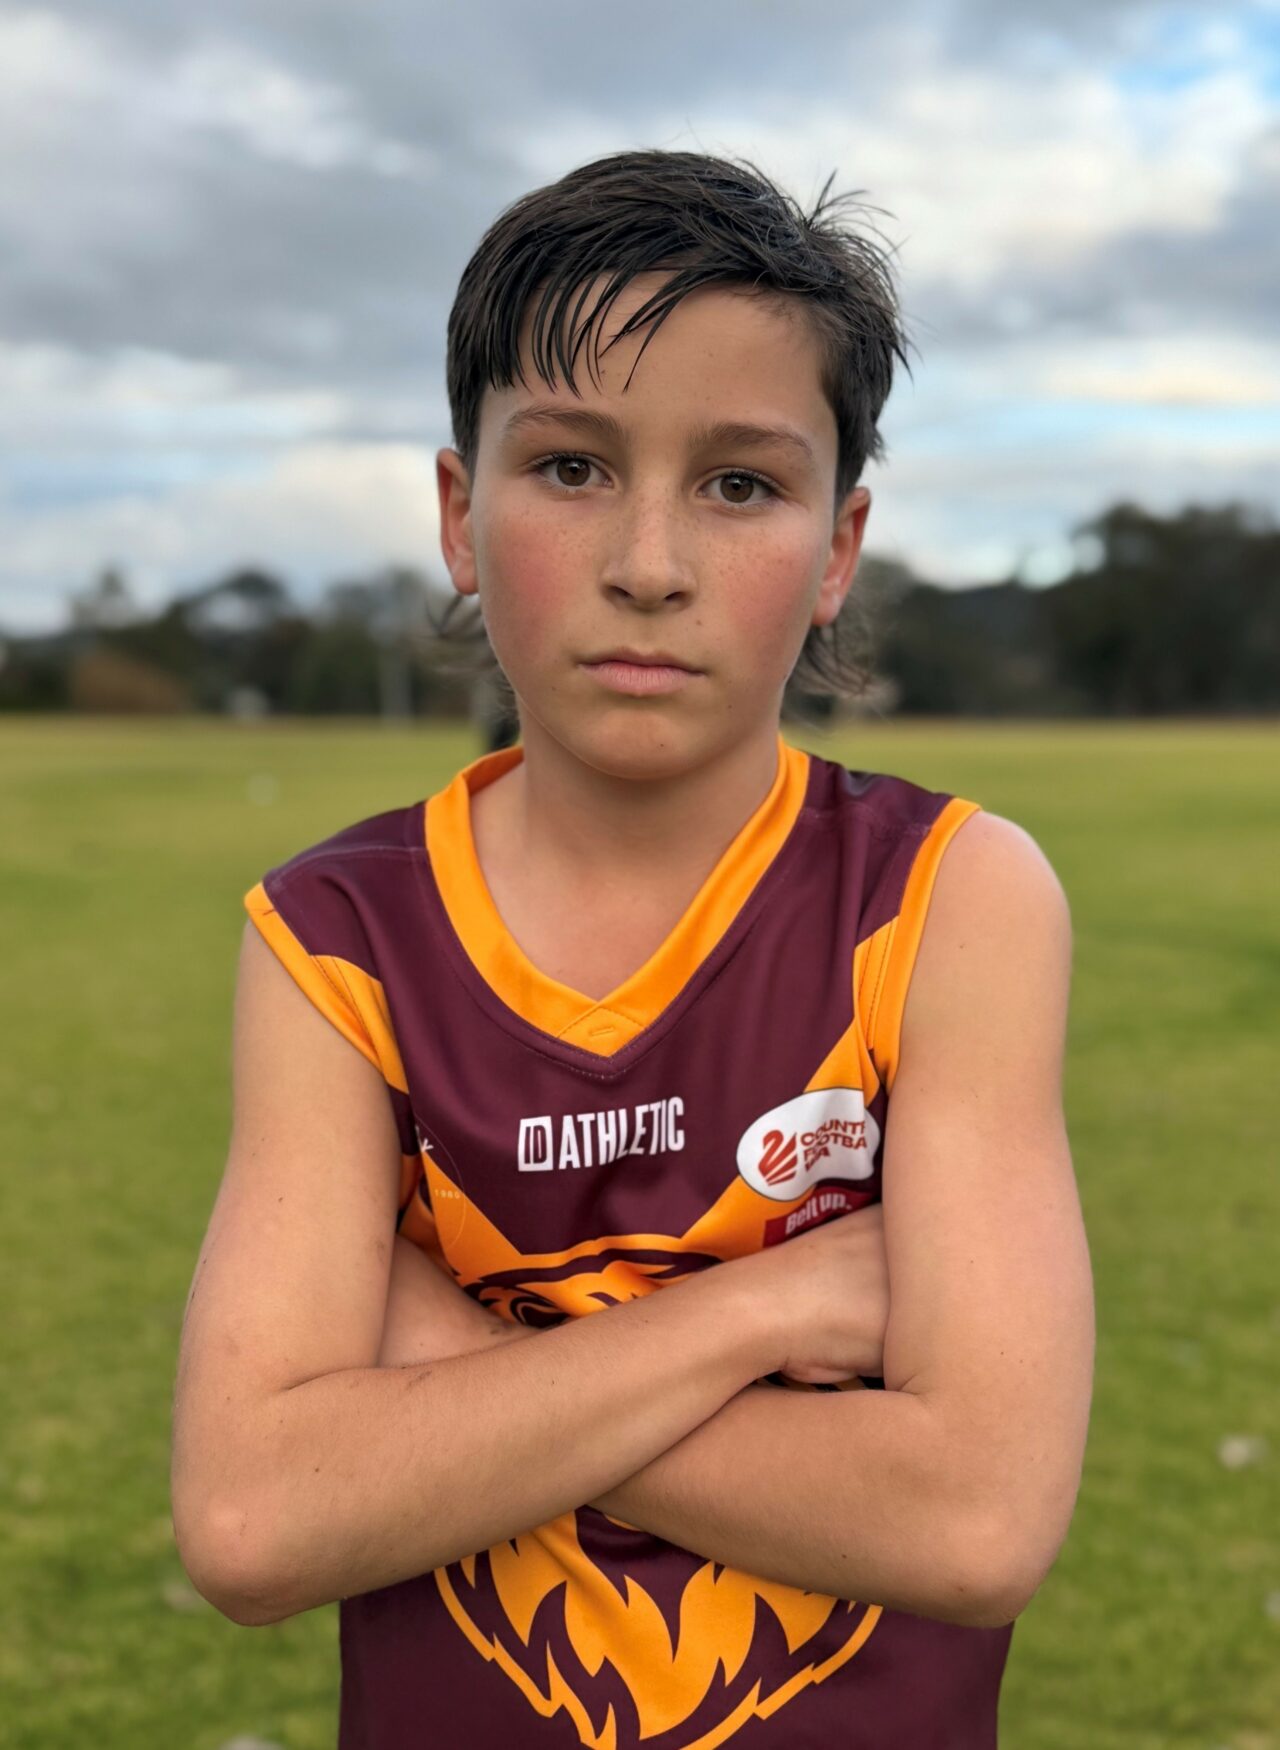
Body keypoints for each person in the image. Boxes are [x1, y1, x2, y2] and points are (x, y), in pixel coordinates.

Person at [171, 148, 1094, 1749]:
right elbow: (256, 1518)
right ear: (460, 514)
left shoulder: (951, 898)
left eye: (740, 485)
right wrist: (761, 1312)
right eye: (571, 466)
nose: (649, 563)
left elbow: (972, 1519)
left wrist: (456, 1367)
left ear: (838, 549)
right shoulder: (337, 940)